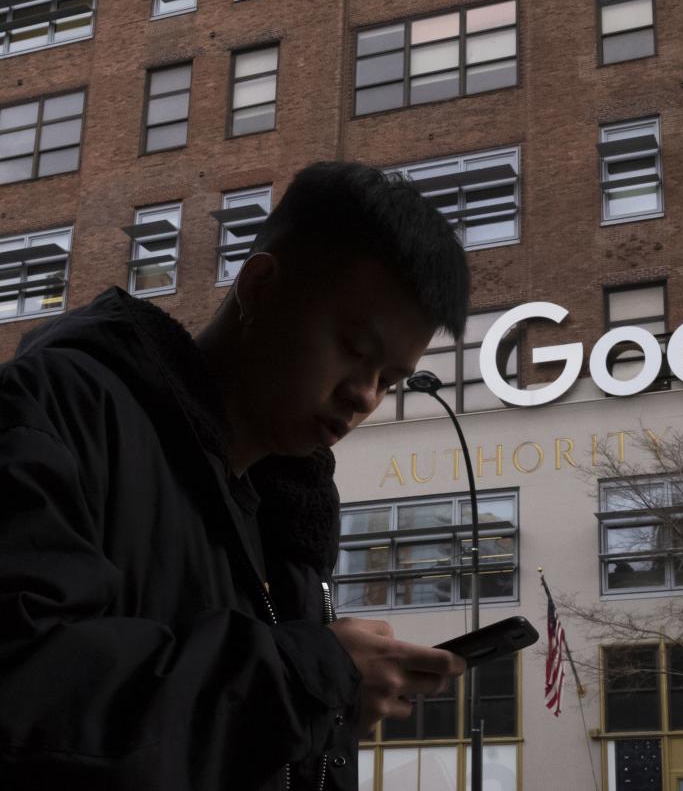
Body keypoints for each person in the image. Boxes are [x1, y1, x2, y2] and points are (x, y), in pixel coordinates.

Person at [0, 161, 471, 789]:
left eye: (389, 381)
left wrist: (324, 704)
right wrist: (303, 679)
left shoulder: (287, 524)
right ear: (259, 287)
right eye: (355, 350)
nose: (364, 396)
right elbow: (26, 690)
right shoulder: (58, 410)